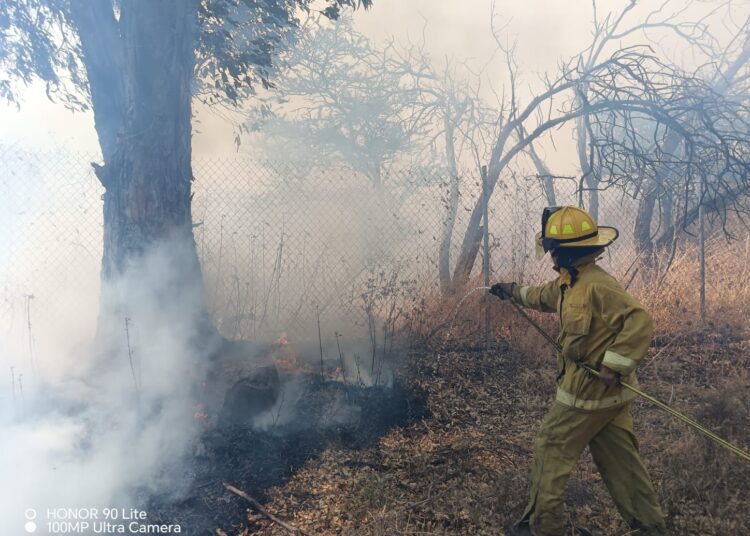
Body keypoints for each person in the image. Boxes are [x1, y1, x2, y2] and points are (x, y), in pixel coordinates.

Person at [491, 206, 667, 536]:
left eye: (553, 250)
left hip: (587, 396)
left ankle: (543, 528)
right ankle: (651, 527)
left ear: (568, 252)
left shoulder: (598, 286)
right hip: (610, 400)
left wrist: (615, 364)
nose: (550, 256)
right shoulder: (570, 282)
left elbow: (639, 318)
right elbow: (540, 295)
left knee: (550, 445)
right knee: (621, 461)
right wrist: (511, 291)